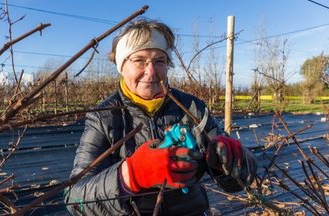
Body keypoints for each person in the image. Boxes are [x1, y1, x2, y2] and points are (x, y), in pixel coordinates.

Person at [64, 18, 257, 216]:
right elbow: (75, 198)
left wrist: (236, 161)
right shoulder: (103, 116)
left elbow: (237, 182)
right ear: (122, 67)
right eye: (139, 60)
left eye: (159, 61)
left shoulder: (191, 107)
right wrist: (130, 175)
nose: (151, 71)